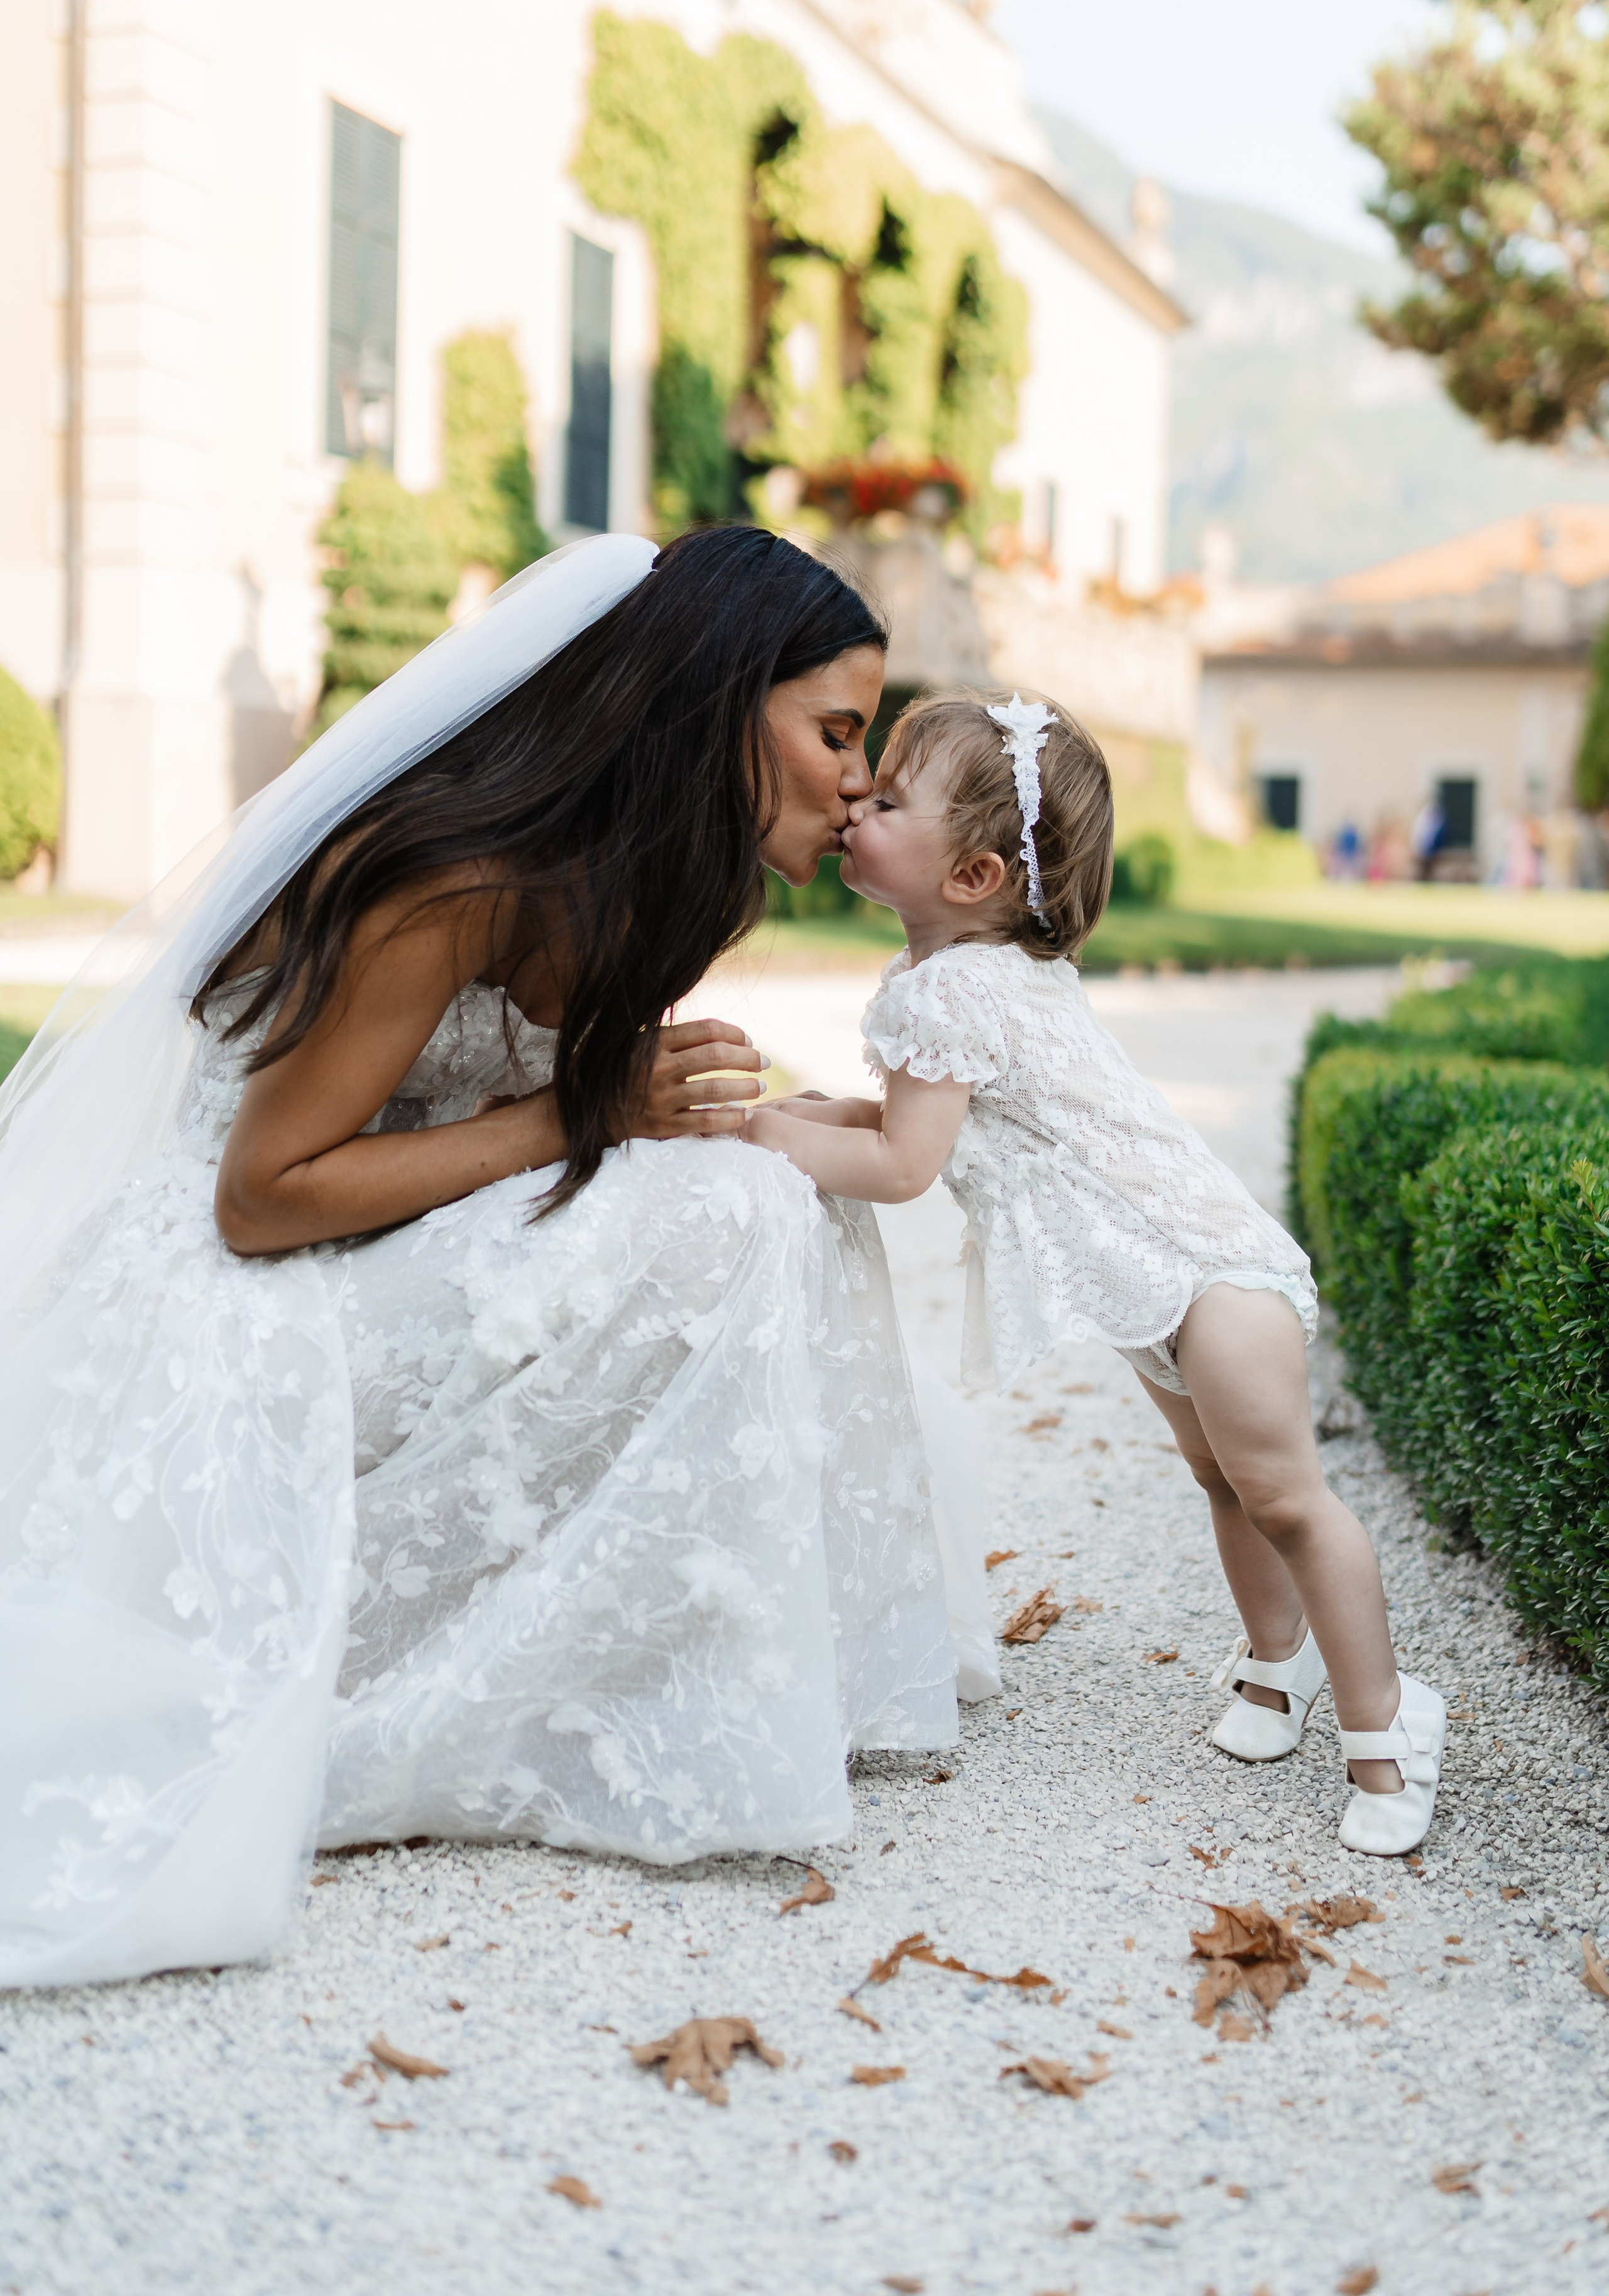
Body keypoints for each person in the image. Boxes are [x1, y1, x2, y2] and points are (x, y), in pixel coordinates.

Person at [0, 528, 958, 1991]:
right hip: (236, 1306)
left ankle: (738, 1663)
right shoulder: (458, 872)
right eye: (834, 732)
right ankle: (482, 1685)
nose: (857, 778)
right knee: (715, 1210)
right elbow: (261, 1193)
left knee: (759, 1185)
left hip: (354, 1258)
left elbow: (537, 1128)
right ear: (713, 703)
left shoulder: (654, 879)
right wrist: (582, 1112)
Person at [744, 689, 1447, 1856]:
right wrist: (815, 1107)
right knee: (1223, 1481)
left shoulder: (953, 987)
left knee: (1283, 1496)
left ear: (971, 876)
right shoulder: (977, 977)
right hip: (1164, 1282)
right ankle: (1280, 1664)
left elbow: (904, 1163)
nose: (857, 794)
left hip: (1209, 1277)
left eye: (889, 794)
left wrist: (763, 1132)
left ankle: (1387, 1717)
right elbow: (939, 1120)